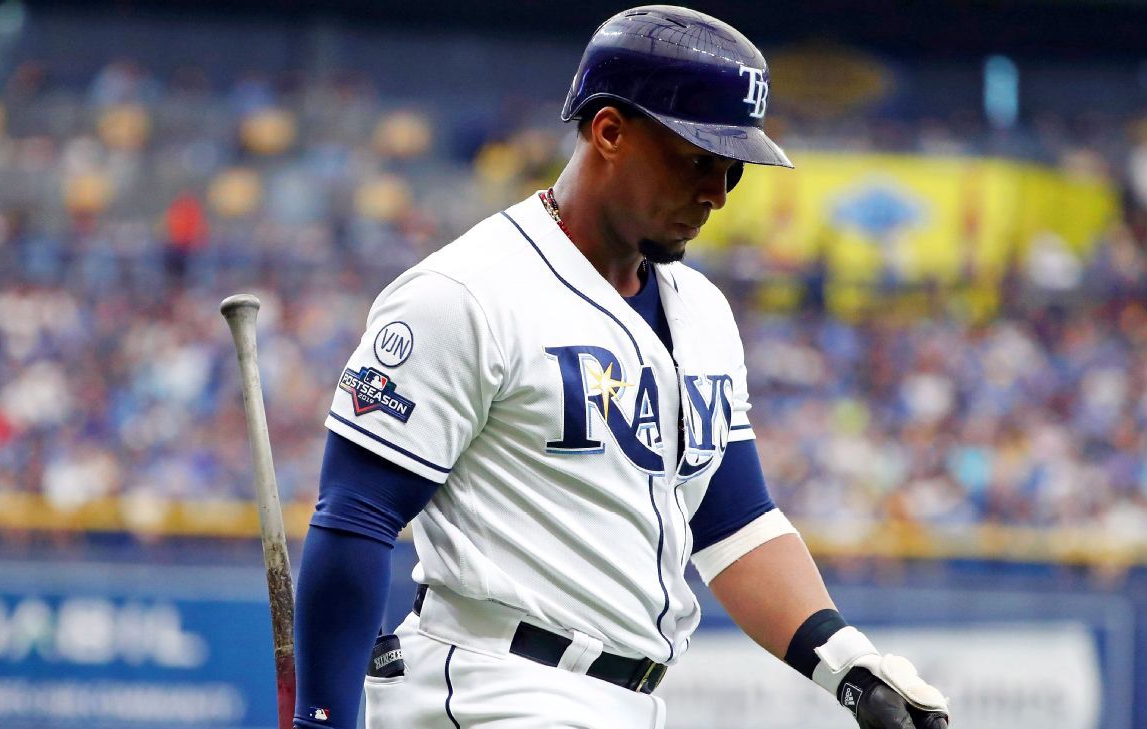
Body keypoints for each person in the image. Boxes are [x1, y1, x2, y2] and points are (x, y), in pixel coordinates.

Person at [292, 6, 949, 728]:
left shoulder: (699, 309)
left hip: (627, 701)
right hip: (491, 686)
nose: (718, 192)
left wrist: (851, 669)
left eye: (733, 168)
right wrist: (323, 715)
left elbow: (734, 521)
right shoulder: (465, 292)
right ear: (609, 131)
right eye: (698, 158)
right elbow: (357, 514)